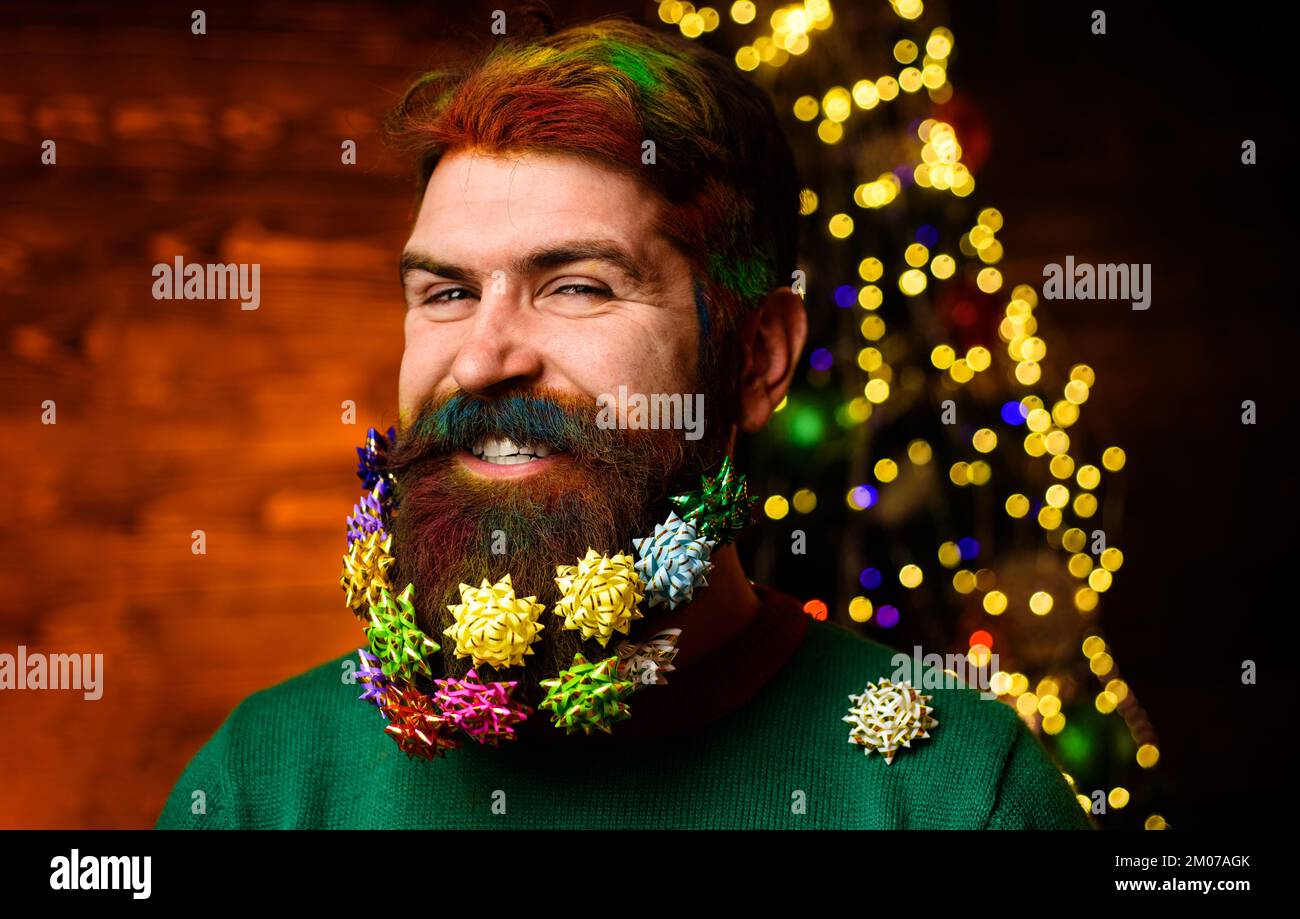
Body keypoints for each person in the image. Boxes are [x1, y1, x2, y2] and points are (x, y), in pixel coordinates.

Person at [156, 15, 1092, 830]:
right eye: (445, 291)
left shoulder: (957, 797)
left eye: (576, 287)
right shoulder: (263, 785)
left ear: (758, 355)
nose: (482, 360)